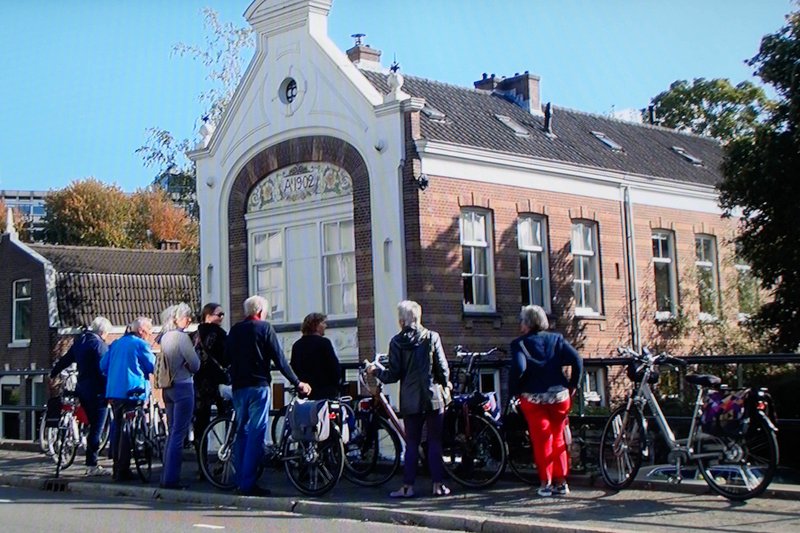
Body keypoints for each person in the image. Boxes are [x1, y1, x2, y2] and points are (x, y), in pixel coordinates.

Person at [225, 295, 311, 496]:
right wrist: (297, 382)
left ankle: (239, 480)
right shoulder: (264, 329)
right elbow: (280, 359)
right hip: (258, 386)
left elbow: (226, 357)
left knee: (241, 432)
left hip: (239, 387)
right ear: (260, 312)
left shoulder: (235, 330)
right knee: (256, 432)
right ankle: (248, 483)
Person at [367, 300, 451, 498]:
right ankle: (438, 485)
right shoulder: (432, 337)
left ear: (402, 321)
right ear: (418, 318)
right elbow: (442, 367)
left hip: (410, 400)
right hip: (433, 398)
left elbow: (393, 374)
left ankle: (407, 487)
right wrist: (445, 383)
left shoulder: (397, 342)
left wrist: (376, 370)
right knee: (435, 442)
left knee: (411, 443)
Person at [509, 304, 583, 498]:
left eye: (521, 321)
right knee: (558, 437)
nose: (520, 326)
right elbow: (577, 359)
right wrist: (573, 384)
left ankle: (546, 482)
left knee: (542, 440)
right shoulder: (556, 339)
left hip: (534, 398)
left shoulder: (520, 344)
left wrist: (515, 390)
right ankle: (562, 482)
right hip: (559, 396)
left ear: (527, 323)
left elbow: (519, 367)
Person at [50, 316, 112, 476]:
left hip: (81, 388)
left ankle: (83, 441)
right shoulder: (99, 345)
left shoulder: (81, 341)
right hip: (97, 391)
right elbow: (104, 369)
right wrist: (110, 388)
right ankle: (92, 464)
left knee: (90, 424)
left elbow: (66, 359)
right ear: (103, 332)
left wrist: (54, 372)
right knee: (97, 429)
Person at [99, 317, 156, 482]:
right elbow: (153, 366)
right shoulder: (140, 344)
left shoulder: (116, 344)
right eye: (149, 331)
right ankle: (126, 468)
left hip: (114, 393)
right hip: (133, 392)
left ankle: (118, 468)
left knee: (118, 428)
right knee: (130, 431)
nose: (150, 335)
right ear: (141, 331)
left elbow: (103, 365)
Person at [157, 303, 200, 489]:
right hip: (183, 386)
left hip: (167, 387)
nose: (189, 320)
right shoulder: (181, 338)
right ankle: (171, 479)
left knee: (172, 431)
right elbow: (195, 364)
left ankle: (166, 475)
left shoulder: (163, 337)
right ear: (176, 319)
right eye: (186, 317)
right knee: (179, 433)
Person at [192, 303, 229, 456]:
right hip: (218, 380)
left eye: (222, 315)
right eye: (218, 314)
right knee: (226, 417)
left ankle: (202, 461)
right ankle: (226, 452)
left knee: (201, 423)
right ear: (208, 316)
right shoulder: (220, 334)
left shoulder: (194, 335)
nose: (221, 318)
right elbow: (227, 357)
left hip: (200, 381)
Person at [290, 313, 341, 400]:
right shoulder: (324, 343)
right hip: (325, 391)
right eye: (323, 323)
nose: (326, 326)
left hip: (305, 392)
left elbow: (294, 367)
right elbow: (334, 367)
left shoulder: (297, 345)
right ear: (316, 325)